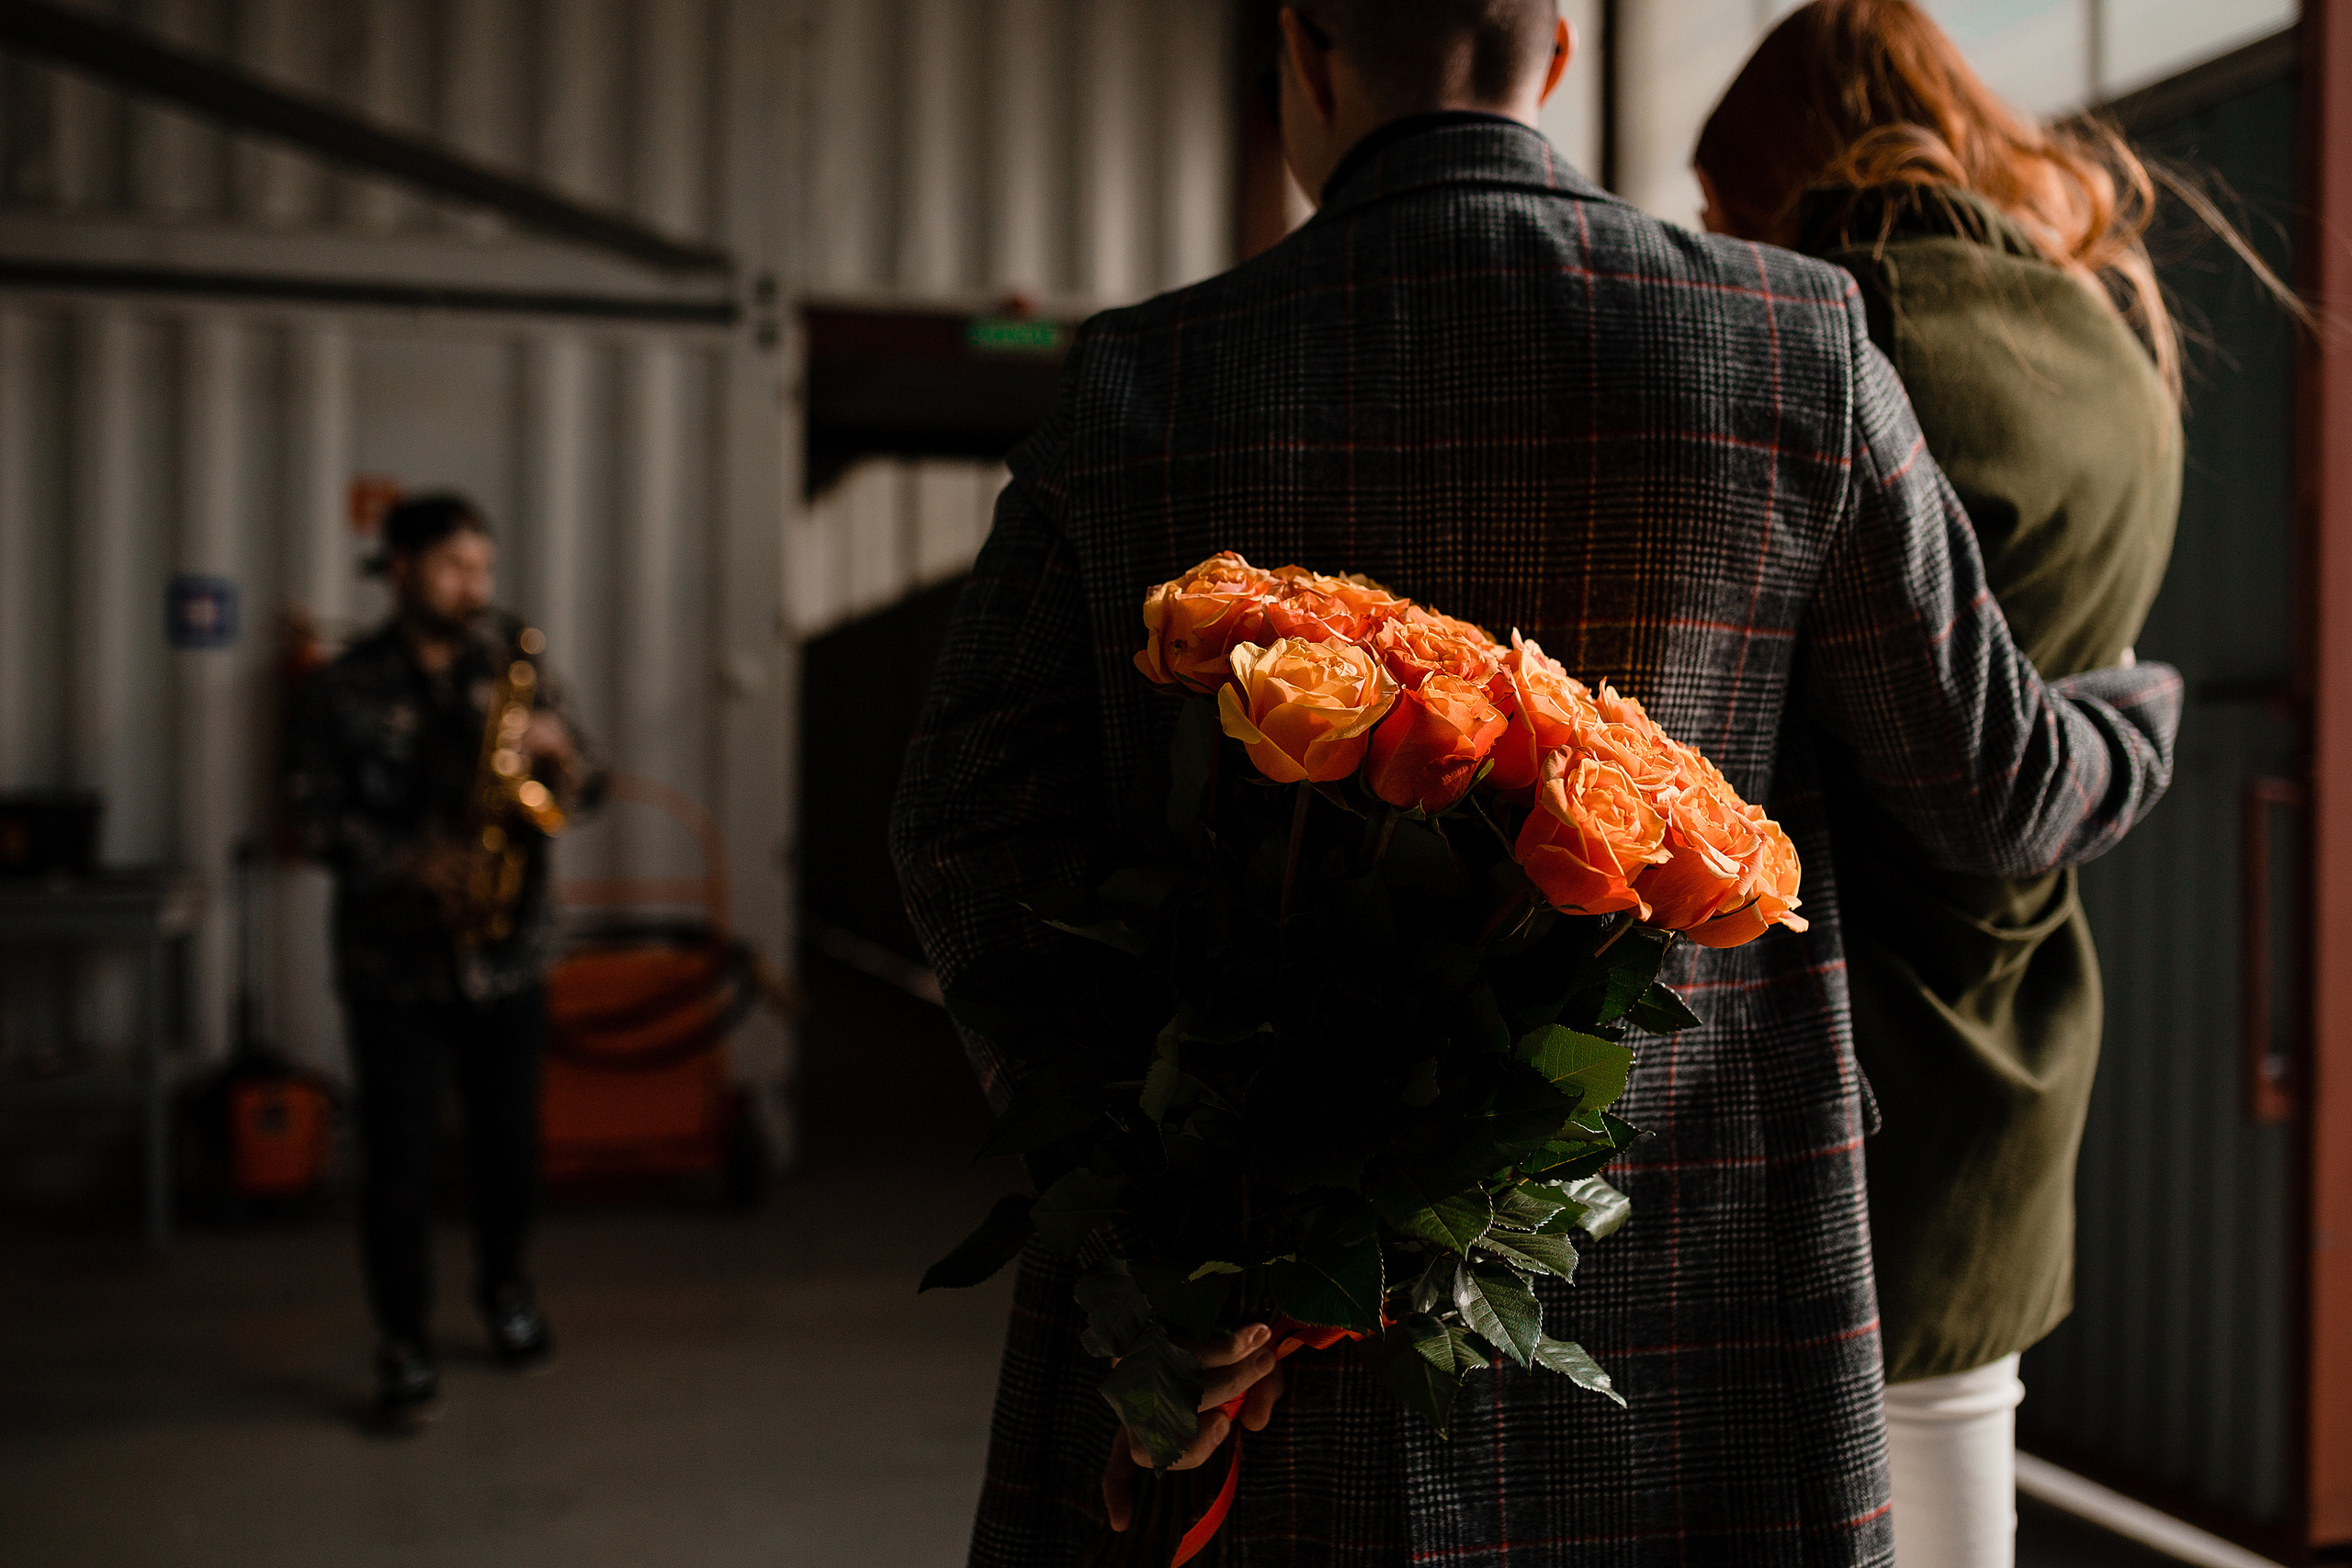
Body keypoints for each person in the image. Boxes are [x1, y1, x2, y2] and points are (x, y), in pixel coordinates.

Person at [890, 3, 2181, 1563]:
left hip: (1257, 1344)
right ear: (1555, 55)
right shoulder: (1794, 342)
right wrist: (2133, 711)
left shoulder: (1141, 383)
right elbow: (1990, 797)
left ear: (1307, 49)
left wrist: (1153, 1191)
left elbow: (963, 828)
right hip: (1695, 1338)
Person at [1691, 7, 2297, 1563]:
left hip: (1829, 1033)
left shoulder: (1842, 334)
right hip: (2012, 1016)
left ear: (1788, 165)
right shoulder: (2115, 343)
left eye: (1721, 201)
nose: (1712, 239)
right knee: (1961, 1455)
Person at [285, 494, 604, 1424]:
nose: (477, 587)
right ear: (400, 567)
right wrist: (406, 859)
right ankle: (405, 1340)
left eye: (485, 570)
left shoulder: (516, 674)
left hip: (511, 958)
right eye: (456, 567)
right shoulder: (340, 687)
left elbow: (592, 787)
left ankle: (505, 1295)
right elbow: (310, 817)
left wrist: (561, 757)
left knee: (511, 1150)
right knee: (400, 1163)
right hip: (396, 970)